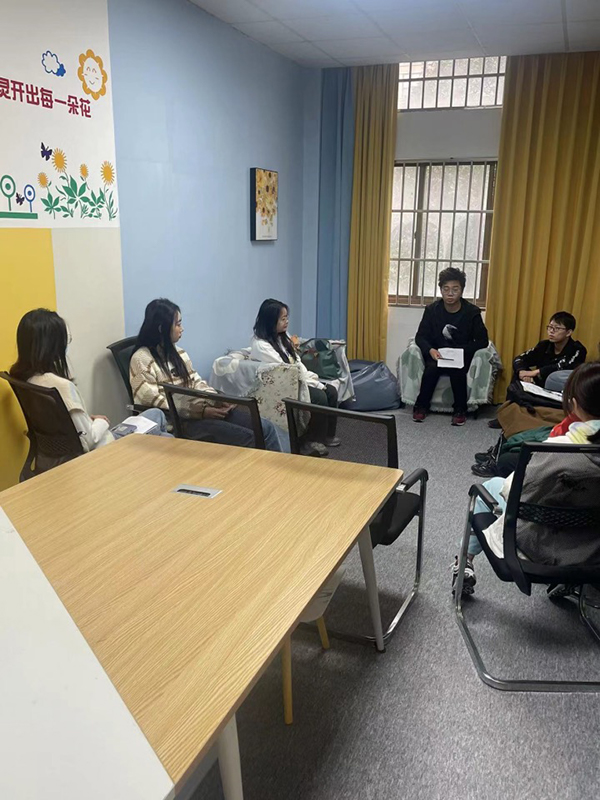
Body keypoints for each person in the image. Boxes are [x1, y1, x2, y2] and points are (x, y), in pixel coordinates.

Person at [453, 362, 600, 597]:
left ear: (575, 403)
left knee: (489, 487)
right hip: (592, 548)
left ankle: (464, 563)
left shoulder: (560, 450)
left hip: (544, 543)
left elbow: (513, 493)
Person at [129, 298, 286, 452]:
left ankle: (280, 470)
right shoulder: (141, 359)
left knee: (266, 428)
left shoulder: (179, 353)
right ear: (161, 328)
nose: (182, 329)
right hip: (179, 422)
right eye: (178, 324)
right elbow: (155, 402)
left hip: (201, 411)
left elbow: (197, 383)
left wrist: (216, 400)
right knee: (248, 438)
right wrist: (199, 411)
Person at [10, 309, 170, 455]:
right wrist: (101, 421)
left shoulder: (24, 378)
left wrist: (87, 420)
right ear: (54, 345)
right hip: (102, 451)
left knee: (157, 417)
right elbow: (89, 440)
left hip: (57, 454)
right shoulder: (62, 386)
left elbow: (64, 426)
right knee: (162, 428)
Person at [251, 298, 339, 457]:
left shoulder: (282, 337)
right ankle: (309, 440)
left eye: (287, 318)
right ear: (270, 321)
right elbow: (285, 369)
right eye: (282, 319)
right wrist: (314, 384)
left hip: (297, 377)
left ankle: (326, 435)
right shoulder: (261, 345)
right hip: (284, 384)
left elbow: (296, 361)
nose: (287, 322)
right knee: (319, 397)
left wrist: (312, 380)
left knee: (332, 391)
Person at [413, 267, 489, 426]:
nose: (450, 293)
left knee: (457, 371)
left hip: (461, 354)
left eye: (455, 289)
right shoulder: (432, 310)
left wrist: (462, 351)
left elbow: (483, 341)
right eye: (446, 289)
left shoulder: (472, 312)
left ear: (462, 291)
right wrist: (430, 350)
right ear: (440, 290)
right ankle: (421, 407)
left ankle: (460, 410)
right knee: (431, 369)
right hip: (438, 354)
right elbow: (420, 336)